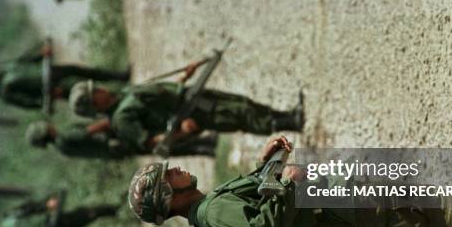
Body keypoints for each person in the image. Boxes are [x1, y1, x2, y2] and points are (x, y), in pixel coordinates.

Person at [128, 136, 452, 227]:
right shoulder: (211, 215)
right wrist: (291, 182)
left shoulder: (208, 205)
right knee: (425, 210)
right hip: (342, 213)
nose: (179, 170)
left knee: (419, 191)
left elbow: (261, 197)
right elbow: (267, 226)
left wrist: (266, 163)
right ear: (169, 198)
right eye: (171, 177)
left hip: (334, 202)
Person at [67, 63, 303, 153]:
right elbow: (152, 142)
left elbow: (157, 96)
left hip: (189, 95)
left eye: (95, 87)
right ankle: (291, 123)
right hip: (189, 114)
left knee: (242, 104)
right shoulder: (121, 120)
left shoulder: (123, 95)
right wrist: (183, 132)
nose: (100, 88)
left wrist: (182, 78)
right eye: (94, 92)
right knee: (240, 117)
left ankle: (289, 114)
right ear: (94, 104)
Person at [0, 41, 130, 109]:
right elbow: (28, 103)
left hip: (51, 70)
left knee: (87, 72)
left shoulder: (2, 70)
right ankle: (121, 98)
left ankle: (120, 77)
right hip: (53, 88)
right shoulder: (5, 92)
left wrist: (41, 53)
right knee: (87, 93)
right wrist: (50, 97)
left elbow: (23, 61)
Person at [25, 120, 219, 158]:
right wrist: (110, 121)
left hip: (116, 150)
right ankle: (204, 142)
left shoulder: (62, 149)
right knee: (159, 140)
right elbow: (89, 131)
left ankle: (202, 150)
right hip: (116, 139)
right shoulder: (64, 137)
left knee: (159, 148)